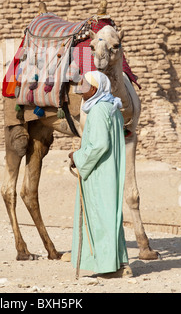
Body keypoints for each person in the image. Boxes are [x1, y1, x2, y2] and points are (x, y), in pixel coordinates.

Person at [68, 70, 132, 278]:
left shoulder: (97, 111)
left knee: (101, 217)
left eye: (86, 86)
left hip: (99, 172)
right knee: (111, 216)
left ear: (96, 88)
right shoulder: (112, 108)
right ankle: (121, 264)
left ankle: (107, 267)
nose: (80, 90)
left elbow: (99, 145)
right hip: (109, 170)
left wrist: (77, 157)